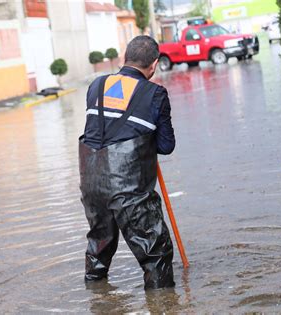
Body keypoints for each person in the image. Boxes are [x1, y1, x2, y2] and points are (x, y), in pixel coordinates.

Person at [79, 35, 176, 290]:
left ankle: (98, 298)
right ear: (154, 65)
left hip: (91, 184)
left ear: (125, 58)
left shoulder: (96, 85)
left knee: (98, 250)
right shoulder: (155, 93)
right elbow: (166, 146)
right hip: (129, 189)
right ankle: (164, 304)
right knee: (156, 254)